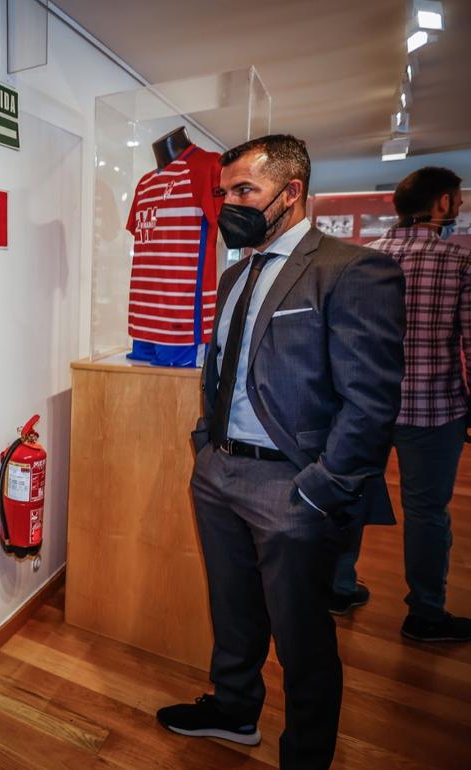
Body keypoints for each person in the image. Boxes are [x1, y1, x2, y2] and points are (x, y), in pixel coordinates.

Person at [156, 135, 405, 769]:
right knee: (232, 608)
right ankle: (235, 709)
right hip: (219, 470)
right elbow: (224, 368)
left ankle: (307, 752)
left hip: (293, 486)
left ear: (290, 193)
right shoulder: (236, 272)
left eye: (245, 191)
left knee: (303, 636)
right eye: (224, 193)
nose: (230, 204)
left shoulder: (351, 269)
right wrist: (204, 444)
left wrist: (324, 488)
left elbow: (372, 401)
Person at [329, 167, 471, 641]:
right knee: (428, 512)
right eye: (457, 199)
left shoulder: (361, 259)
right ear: (444, 205)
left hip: (362, 406)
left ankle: (338, 587)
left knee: (348, 496)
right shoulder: (459, 262)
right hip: (434, 409)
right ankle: (426, 614)